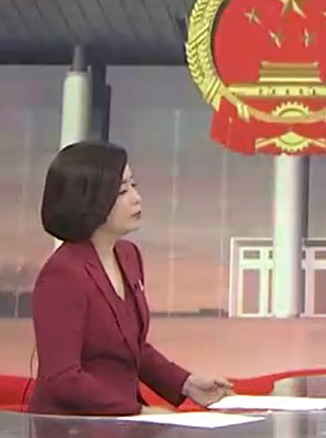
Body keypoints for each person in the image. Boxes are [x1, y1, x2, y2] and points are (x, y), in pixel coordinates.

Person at [27, 141, 232, 415]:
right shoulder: (63, 275)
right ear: (89, 199)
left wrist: (187, 384)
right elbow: (62, 378)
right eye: (122, 191)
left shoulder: (128, 256)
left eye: (134, 185)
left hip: (119, 425)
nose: (136, 198)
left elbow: (132, 348)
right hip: (71, 429)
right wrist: (137, 412)